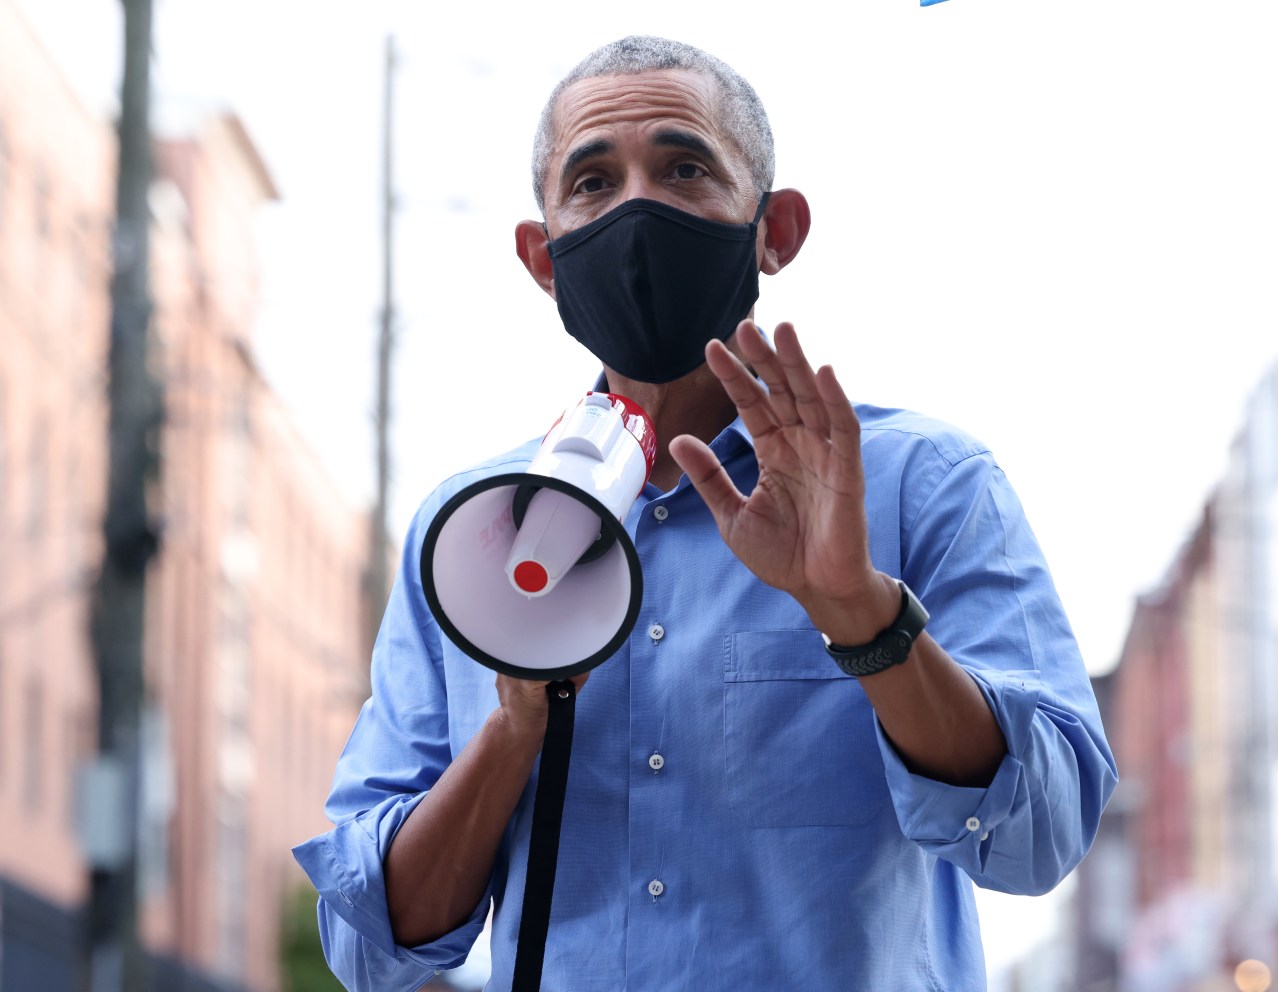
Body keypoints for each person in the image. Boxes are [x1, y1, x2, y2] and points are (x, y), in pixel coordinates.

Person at [294, 35, 1116, 992]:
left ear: (776, 231)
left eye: (684, 168)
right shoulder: (474, 535)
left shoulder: (922, 484)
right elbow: (368, 948)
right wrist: (514, 722)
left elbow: (1041, 838)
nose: (637, 208)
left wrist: (860, 617)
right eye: (593, 183)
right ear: (543, 257)